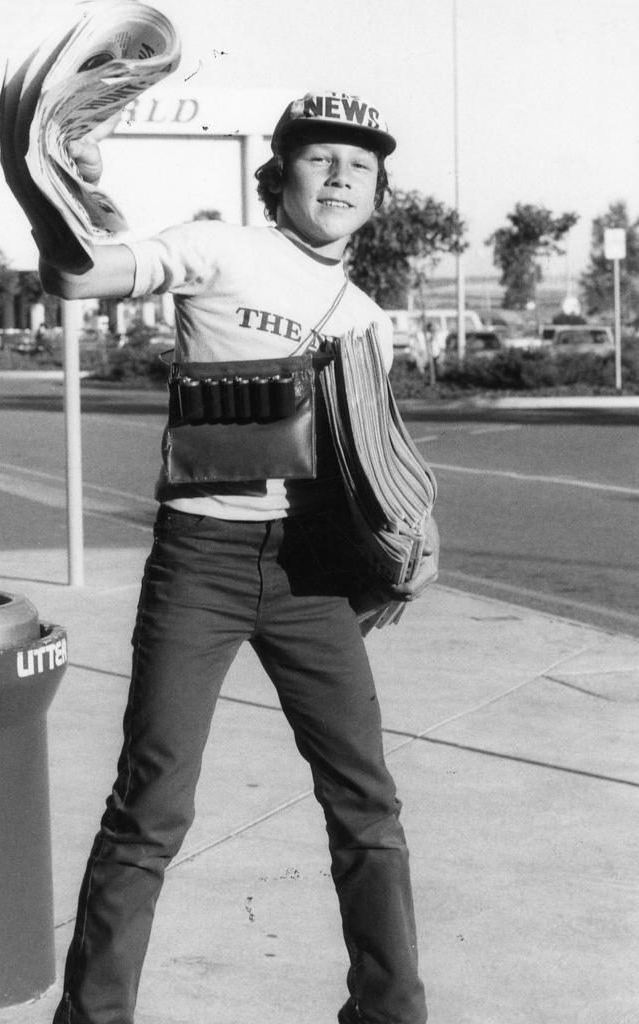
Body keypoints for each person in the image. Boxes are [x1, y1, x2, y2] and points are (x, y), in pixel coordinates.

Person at [40, 91, 437, 1024]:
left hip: (315, 574)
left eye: (360, 165)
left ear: (379, 194)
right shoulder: (220, 247)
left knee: (366, 806)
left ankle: (391, 1011)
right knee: (151, 807)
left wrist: (393, 554)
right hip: (203, 559)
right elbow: (79, 277)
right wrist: (60, 196)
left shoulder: (369, 317)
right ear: (280, 174)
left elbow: (373, 460)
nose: (340, 175)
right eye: (319, 157)